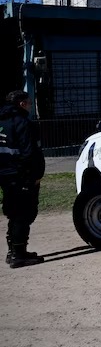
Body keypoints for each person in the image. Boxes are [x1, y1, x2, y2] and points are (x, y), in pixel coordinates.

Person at [0, 90, 46, 268]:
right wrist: (34, 175)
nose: (30, 106)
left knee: (13, 212)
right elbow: (29, 153)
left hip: (6, 176)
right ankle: (18, 254)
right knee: (24, 214)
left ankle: (13, 251)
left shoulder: (2, 121)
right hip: (21, 176)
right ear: (21, 104)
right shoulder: (23, 123)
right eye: (29, 102)